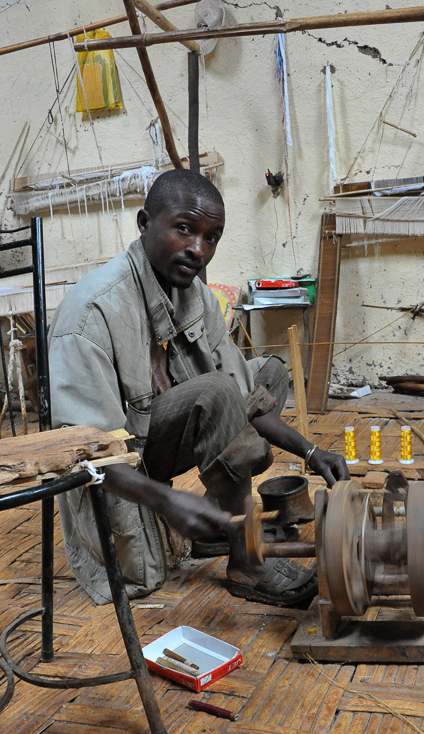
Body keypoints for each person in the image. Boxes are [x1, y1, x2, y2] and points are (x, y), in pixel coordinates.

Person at [48, 169, 349, 607]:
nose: (197, 249)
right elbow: (87, 457)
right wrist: (169, 502)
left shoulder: (194, 294)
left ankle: (222, 528)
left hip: (157, 430)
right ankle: (246, 561)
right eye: (185, 229)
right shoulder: (91, 313)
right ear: (144, 222)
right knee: (216, 393)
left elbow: (249, 393)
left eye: (212, 237)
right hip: (119, 462)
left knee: (268, 374)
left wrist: (310, 451)